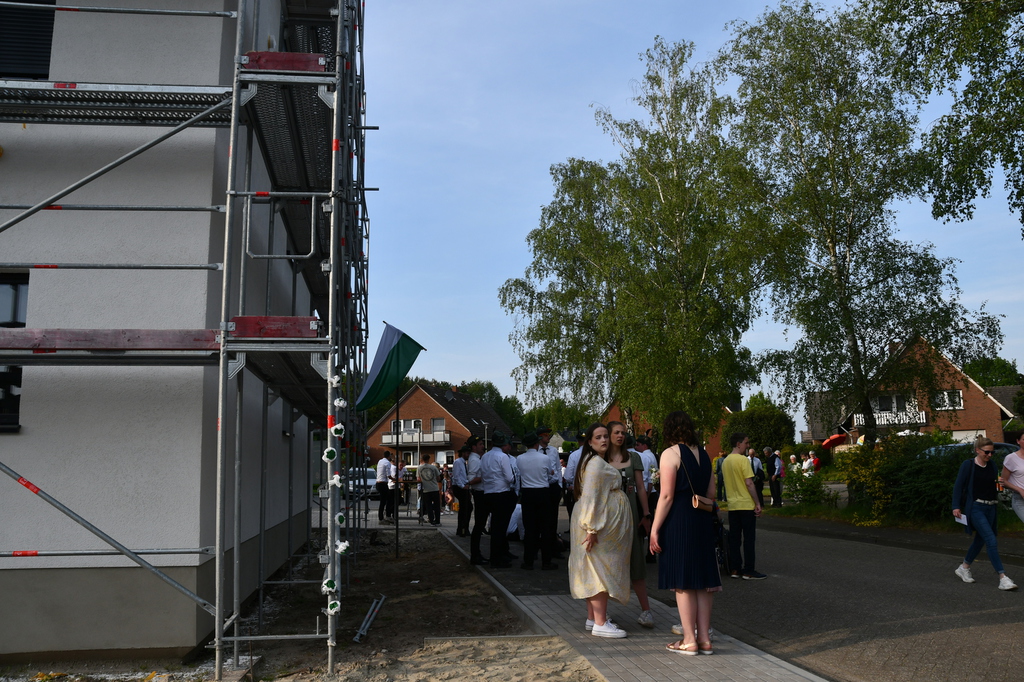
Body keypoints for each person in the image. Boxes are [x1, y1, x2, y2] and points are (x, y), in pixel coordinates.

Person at [649, 410, 720, 656]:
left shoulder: (670, 453)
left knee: (683, 580)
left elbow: (666, 496)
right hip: (702, 519)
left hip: (679, 519)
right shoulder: (705, 454)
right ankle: (705, 639)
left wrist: (655, 528)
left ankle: (689, 640)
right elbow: (711, 493)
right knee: (703, 581)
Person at [569, 422, 632, 639]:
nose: (604, 440)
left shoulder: (593, 461)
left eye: (606, 436)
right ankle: (600, 622)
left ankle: (592, 618)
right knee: (598, 571)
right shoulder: (595, 464)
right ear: (589, 441)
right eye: (598, 437)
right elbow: (592, 497)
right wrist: (591, 529)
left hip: (595, 524)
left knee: (593, 569)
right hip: (595, 526)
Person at [606, 421, 655, 629]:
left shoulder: (633, 457)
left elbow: (641, 487)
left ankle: (646, 610)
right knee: (607, 561)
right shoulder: (601, 458)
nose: (620, 436)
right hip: (609, 515)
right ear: (609, 435)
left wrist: (646, 513)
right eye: (616, 432)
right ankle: (602, 612)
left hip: (631, 512)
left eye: (623, 433)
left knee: (636, 560)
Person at [952, 436, 1018, 590]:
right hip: (976, 507)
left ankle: (964, 567)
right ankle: (1003, 577)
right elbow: (958, 486)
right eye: (986, 452)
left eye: (992, 452)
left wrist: (1000, 485)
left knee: (980, 540)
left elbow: (994, 484)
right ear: (977, 450)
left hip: (991, 507)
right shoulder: (968, 465)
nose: (989, 455)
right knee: (990, 540)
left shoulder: (992, 465)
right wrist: (956, 506)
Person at [722, 433, 765, 580]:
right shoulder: (743, 460)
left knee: (735, 538)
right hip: (746, 504)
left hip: (733, 505)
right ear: (738, 444)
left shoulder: (726, 461)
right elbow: (749, 483)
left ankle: (735, 568)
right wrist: (757, 502)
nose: (748, 445)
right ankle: (749, 570)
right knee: (748, 538)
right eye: (746, 443)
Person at [517, 432, 557, 570]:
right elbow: (550, 475)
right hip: (542, 492)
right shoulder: (544, 458)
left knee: (529, 528)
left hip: (527, 493)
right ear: (536, 444)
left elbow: (519, 475)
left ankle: (528, 561)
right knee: (545, 528)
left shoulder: (519, 459)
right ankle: (546, 561)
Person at [481, 431, 517, 568]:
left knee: (495, 527)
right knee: (500, 528)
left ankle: (497, 556)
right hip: (501, 493)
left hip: (488, 493)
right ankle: (497, 558)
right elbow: (509, 478)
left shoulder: (485, 456)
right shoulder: (503, 456)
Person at [636, 435, 660, 563]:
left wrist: (647, 495)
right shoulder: (651, 456)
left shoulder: (645, 457)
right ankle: (650, 553)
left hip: (647, 493)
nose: (636, 447)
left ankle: (646, 553)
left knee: (644, 522)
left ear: (644, 445)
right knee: (649, 522)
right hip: (651, 492)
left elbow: (649, 479)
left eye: (638, 445)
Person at [467, 435, 490, 565]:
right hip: (479, 494)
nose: (483, 446)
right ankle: (475, 555)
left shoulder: (477, 458)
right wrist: (487, 476)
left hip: (482, 493)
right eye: (480, 444)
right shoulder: (474, 460)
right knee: (479, 525)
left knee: (480, 525)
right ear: (474, 447)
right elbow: (471, 480)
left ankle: (476, 554)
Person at [1000, 433, 1024, 525]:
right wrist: (1020, 490)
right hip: (1020, 499)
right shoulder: (1011, 458)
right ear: (1018, 441)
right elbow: (1003, 481)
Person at [451, 444, 472, 536]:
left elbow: (463, 475)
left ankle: (463, 528)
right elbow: (456, 476)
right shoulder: (458, 462)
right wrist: (462, 486)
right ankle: (462, 528)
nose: (468, 455)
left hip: (464, 486)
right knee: (465, 507)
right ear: (463, 453)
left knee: (467, 507)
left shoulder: (464, 463)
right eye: (467, 453)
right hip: (459, 487)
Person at [417, 453, 441, 526]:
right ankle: (437, 521)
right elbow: (438, 478)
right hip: (434, 488)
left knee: (428, 506)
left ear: (422, 459)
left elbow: (418, 479)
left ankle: (431, 521)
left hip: (425, 489)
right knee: (437, 506)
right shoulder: (433, 467)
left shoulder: (419, 468)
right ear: (429, 459)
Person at [375, 451, 394, 522]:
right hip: (383, 484)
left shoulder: (380, 461)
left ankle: (385, 516)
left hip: (378, 483)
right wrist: (395, 479)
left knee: (386, 500)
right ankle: (383, 517)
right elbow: (388, 475)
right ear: (389, 456)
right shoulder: (387, 463)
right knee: (386, 500)